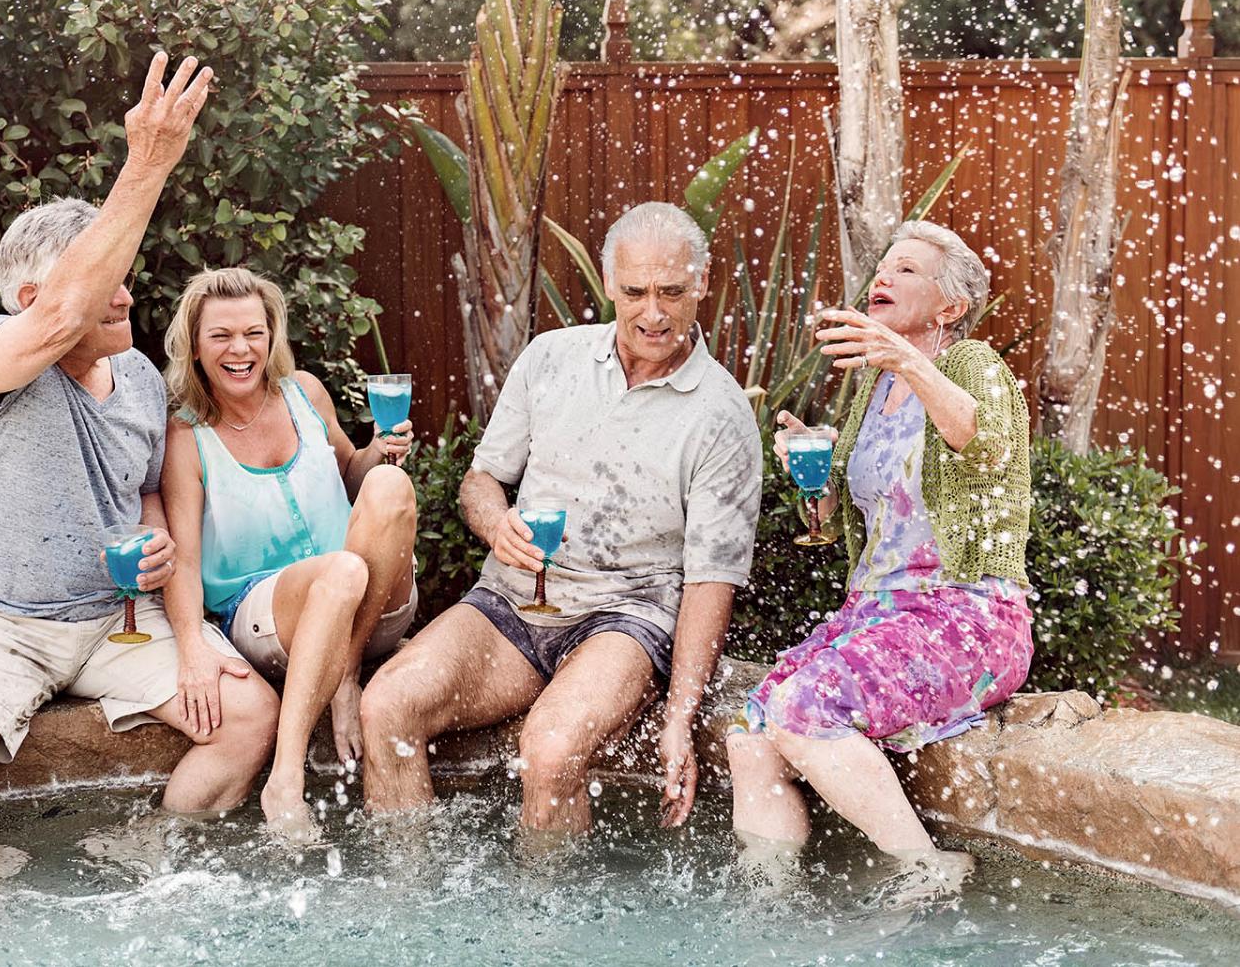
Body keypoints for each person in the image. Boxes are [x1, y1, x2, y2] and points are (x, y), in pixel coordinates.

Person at [0, 54, 280, 867]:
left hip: (116, 625)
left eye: (125, 279)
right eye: (105, 284)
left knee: (249, 718)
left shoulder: (134, 380)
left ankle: (147, 847)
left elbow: (142, 489)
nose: (125, 296)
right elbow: (61, 318)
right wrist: (151, 160)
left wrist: (154, 537)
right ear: (32, 302)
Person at [359, 202, 762, 834]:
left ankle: (547, 924)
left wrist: (681, 717)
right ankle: (409, 906)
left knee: (549, 752)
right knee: (385, 705)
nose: (653, 313)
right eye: (635, 292)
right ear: (608, 284)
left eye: (672, 292)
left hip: (625, 618)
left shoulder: (722, 414)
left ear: (703, 282)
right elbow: (481, 481)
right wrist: (496, 525)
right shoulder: (551, 358)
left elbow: (713, 578)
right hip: (510, 604)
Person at [725, 220, 1033, 895]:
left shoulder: (969, 364)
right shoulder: (872, 388)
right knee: (751, 732)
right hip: (876, 614)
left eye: (907, 270)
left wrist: (905, 359)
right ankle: (766, 902)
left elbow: (985, 445)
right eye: (883, 267)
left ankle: (928, 868)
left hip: (965, 613)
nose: (883, 278)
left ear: (949, 306)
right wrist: (815, 478)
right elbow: (852, 524)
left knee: (805, 708)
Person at [160, 266, 418, 838]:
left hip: (368, 605)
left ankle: (345, 670)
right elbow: (182, 556)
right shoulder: (187, 435)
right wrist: (189, 647)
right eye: (221, 335)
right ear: (195, 348)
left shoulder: (305, 393)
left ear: (272, 336)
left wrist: (377, 452)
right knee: (342, 569)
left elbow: (353, 476)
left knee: (391, 488)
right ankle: (286, 778)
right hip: (269, 618)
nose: (240, 349)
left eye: (254, 332)